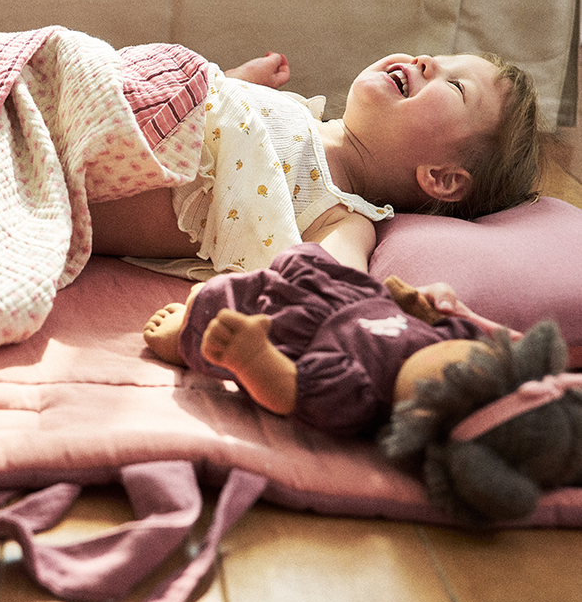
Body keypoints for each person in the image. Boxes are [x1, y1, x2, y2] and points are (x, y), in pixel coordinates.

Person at [142, 241, 582, 525]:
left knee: (214, 308)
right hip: (351, 297)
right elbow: (437, 322)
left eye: (452, 375)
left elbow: (289, 392)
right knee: (305, 253)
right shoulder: (457, 341)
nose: (460, 349)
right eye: (483, 357)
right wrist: (421, 303)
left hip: (298, 331)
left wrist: (253, 358)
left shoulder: (360, 393)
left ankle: (184, 336)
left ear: (422, 420)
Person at [90, 49, 541, 276]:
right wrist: (239, 83)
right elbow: (215, 114)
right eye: (438, 56)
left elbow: (324, 281)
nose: (425, 59)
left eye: (456, 86)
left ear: (441, 178)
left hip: (77, 174)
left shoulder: (340, 213)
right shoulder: (300, 113)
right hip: (100, 95)